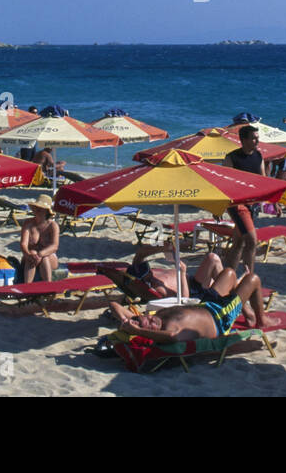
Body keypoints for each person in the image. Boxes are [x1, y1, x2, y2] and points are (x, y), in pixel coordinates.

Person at [107, 267, 267, 342]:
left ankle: (248, 313)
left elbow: (114, 305)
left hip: (206, 303)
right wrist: (138, 330)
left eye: (146, 318)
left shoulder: (154, 318)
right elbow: (172, 337)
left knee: (229, 273)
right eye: (149, 325)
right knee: (253, 279)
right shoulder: (170, 330)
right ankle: (261, 320)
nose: (150, 319)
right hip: (220, 316)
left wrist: (125, 321)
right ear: (148, 332)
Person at [223, 125, 265, 274]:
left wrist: (272, 202)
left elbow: (263, 181)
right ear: (243, 139)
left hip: (253, 205)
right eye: (253, 138)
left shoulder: (258, 156)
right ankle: (250, 277)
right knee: (252, 241)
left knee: (238, 243)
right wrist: (219, 207)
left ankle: (228, 274)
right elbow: (223, 185)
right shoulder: (231, 158)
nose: (257, 141)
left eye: (257, 137)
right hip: (237, 205)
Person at [123, 244, 225, 299]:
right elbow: (184, 300)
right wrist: (182, 273)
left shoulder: (138, 270)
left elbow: (141, 253)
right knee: (213, 259)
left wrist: (163, 248)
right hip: (193, 291)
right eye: (146, 272)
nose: (149, 271)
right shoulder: (158, 289)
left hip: (193, 280)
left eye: (146, 267)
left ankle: (230, 292)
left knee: (214, 262)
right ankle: (231, 298)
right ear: (143, 281)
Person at [19, 194, 60, 282]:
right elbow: (23, 244)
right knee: (32, 252)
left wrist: (40, 254)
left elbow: (54, 246)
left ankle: (47, 287)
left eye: (40, 208)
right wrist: (28, 254)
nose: (37, 210)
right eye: (36, 207)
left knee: (44, 258)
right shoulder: (28, 223)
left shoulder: (52, 225)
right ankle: (27, 288)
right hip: (30, 257)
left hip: (49, 257)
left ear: (46, 211)